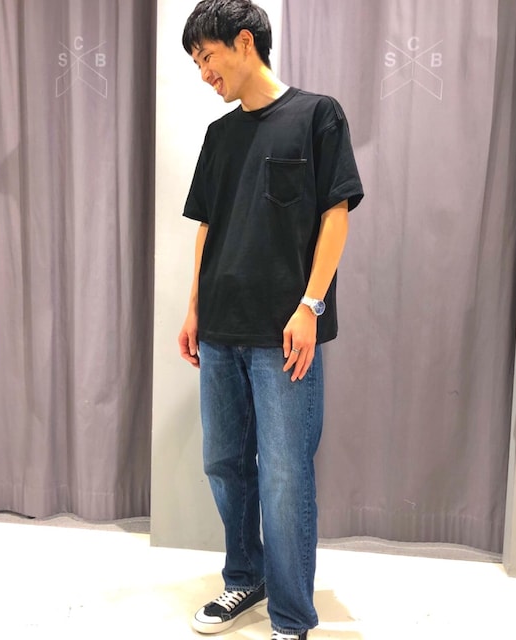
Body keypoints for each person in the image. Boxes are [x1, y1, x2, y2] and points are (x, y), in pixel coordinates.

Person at [178, 2, 364, 638]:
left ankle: (290, 616)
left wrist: (311, 306)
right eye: (196, 64)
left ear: (244, 42)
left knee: (284, 475)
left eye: (207, 57)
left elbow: (335, 215)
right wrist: (193, 308)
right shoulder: (219, 136)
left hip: (285, 334)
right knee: (224, 463)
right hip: (220, 329)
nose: (204, 73)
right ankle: (244, 577)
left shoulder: (316, 115)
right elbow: (208, 227)